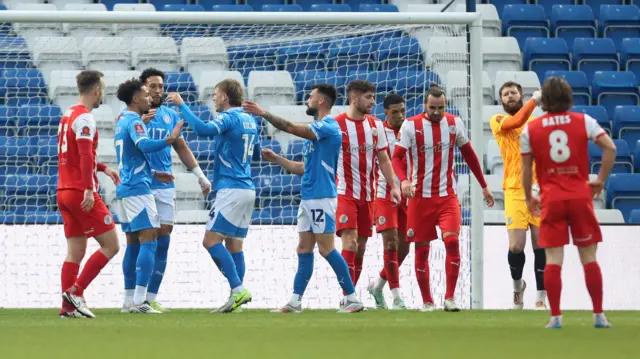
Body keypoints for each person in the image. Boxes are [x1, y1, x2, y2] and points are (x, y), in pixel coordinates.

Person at [243, 84, 365, 313]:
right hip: (309, 198)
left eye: (311, 97)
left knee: (327, 249)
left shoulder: (328, 126)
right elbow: (303, 168)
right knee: (304, 248)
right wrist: (277, 158)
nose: (307, 99)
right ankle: (295, 301)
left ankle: (352, 298)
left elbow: (290, 127)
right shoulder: (318, 132)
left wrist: (264, 114)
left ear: (321, 101)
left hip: (322, 197)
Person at [520, 77, 615, 329]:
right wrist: (601, 180)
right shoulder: (584, 121)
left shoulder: (531, 129)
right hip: (580, 196)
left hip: (552, 198)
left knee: (552, 258)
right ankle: (598, 315)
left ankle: (556, 317)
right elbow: (610, 148)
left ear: (544, 101)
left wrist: (529, 196)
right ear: (569, 96)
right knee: (589, 257)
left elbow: (526, 170)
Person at [392, 86, 494, 312]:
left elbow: (469, 154)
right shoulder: (411, 125)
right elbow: (396, 158)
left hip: (447, 196)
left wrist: (484, 186)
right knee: (421, 250)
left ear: (445, 106)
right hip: (419, 198)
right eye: (432, 108)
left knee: (452, 242)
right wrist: (403, 181)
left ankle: (450, 298)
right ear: (424, 106)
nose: (437, 112)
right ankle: (427, 302)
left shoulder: (454, 123)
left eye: (441, 107)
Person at [119, 68, 212, 313]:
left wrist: (200, 176)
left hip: (164, 185)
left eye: (161, 85)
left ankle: (149, 297)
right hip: (140, 184)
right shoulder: (133, 118)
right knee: (136, 242)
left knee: (161, 242)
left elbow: (181, 147)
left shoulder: (170, 115)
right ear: (142, 89)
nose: (157, 90)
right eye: (152, 85)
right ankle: (131, 298)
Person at [166, 79, 257, 313]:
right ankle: (236, 298)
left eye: (216, 94)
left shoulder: (230, 117)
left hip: (232, 189)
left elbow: (203, 130)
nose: (214, 99)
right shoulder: (250, 120)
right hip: (247, 187)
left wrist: (182, 105)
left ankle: (238, 290)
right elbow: (253, 153)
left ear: (225, 97)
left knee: (210, 241)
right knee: (235, 245)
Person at [113, 79, 182, 314]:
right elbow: (144, 145)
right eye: (144, 94)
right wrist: (169, 140)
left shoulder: (122, 120)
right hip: (137, 189)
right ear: (135, 99)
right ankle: (141, 302)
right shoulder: (135, 121)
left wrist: (153, 172)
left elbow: (130, 156)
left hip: (126, 187)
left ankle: (128, 300)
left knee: (133, 243)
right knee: (150, 237)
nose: (148, 98)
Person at [57, 70, 121, 318]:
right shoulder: (85, 118)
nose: (102, 93)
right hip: (79, 191)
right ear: (96, 90)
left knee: (75, 251)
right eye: (102, 88)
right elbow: (83, 155)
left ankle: (67, 308)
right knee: (111, 244)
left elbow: (71, 154)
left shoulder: (68, 115)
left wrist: (103, 168)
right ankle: (77, 292)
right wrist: (87, 188)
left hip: (63, 191)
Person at [334, 80, 401, 303]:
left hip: (368, 195)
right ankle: (349, 297)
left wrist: (394, 186)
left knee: (360, 249)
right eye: (368, 97)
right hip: (345, 193)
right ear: (354, 98)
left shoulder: (375, 126)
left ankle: (349, 297)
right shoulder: (337, 125)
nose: (373, 101)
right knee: (350, 243)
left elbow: (384, 158)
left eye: (373, 97)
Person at [490, 81, 547, 310]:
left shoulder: (537, 125)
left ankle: (541, 296)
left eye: (513, 92)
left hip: (538, 189)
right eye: (505, 94)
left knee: (540, 244)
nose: (510, 96)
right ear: (501, 101)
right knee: (516, 246)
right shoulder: (499, 121)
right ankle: (517, 289)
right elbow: (517, 121)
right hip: (514, 189)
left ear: (521, 95)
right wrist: (536, 99)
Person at [367, 94, 410, 310]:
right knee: (391, 243)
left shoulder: (410, 130)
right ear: (385, 112)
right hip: (383, 193)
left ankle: (377, 285)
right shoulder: (377, 132)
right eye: (395, 112)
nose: (400, 115)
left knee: (404, 249)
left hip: (407, 194)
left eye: (403, 110)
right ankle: (397, 297)